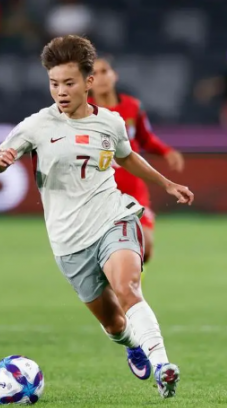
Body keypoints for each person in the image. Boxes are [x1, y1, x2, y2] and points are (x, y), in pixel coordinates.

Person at [0, 35, 193, 399]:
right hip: (68, 241)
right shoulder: (37, 125)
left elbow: (127, 156)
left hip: (112, 217)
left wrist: (166, 183)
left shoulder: (111, 122)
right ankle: (133, 344)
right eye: (54, 83)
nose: (61, 91)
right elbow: (1, 156)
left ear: (89, 82)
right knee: (114, 323)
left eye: (68, 83)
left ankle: (163, 367)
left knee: (128, 288)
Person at [89, 57, 185, 266]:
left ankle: (126, 276)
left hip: (133, 188)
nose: (101, 78)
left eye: (104, 71)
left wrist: (166, 151)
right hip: (99, 191)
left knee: (146, 248)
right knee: (104, 252)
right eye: (94, 73)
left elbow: (145, 138)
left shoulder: (133, 107)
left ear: (115, 75)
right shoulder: (83, 112)